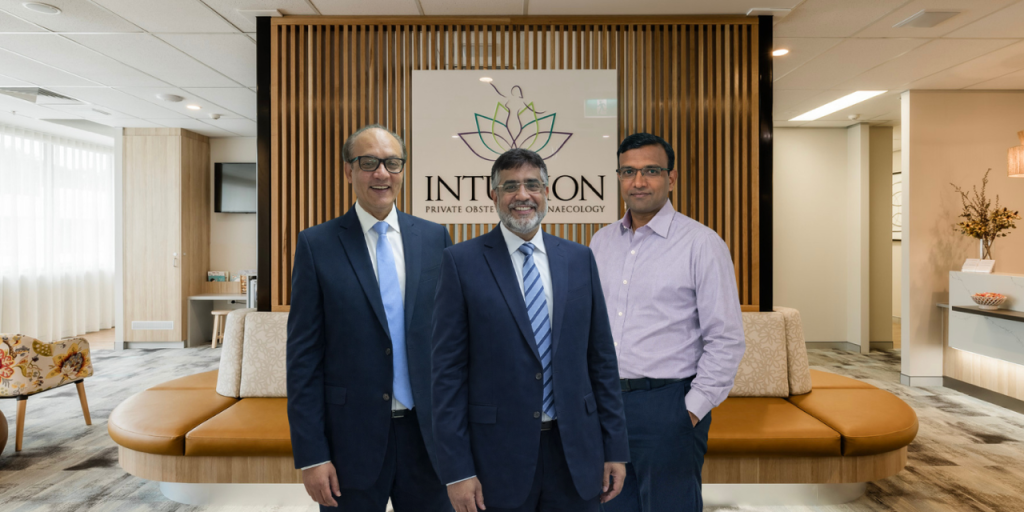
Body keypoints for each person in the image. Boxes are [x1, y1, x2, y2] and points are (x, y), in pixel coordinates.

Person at [432, 148, 630, 512]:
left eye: (532, 185)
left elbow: (601, 360)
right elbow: (447, 375)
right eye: (510, 186)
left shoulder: (579, 258)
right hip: (496, 461)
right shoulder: (461, 263)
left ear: (547, 192)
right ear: (494, 195)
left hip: (576, 456)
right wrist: (457, 471)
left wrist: (615, 447)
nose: (522, 195)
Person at [286, 124, 453, 512]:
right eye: (368, 163)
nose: (382, 173)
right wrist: (312, 455)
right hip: (350, 443)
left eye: (392, 163)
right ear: (348, 171)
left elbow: (451, 346)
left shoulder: (435, 239)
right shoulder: (317, 244)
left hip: (427, 441)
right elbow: (303, 360)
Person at [591, 133, 745, 512]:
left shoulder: (701, 244)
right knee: (609, 506)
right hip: (606, 406)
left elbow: (726, 339)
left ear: (671, 178)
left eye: (651, 171)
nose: (638, 181)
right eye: (628, 172)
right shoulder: (601, 242)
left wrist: (689, 411)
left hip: (668, 405)